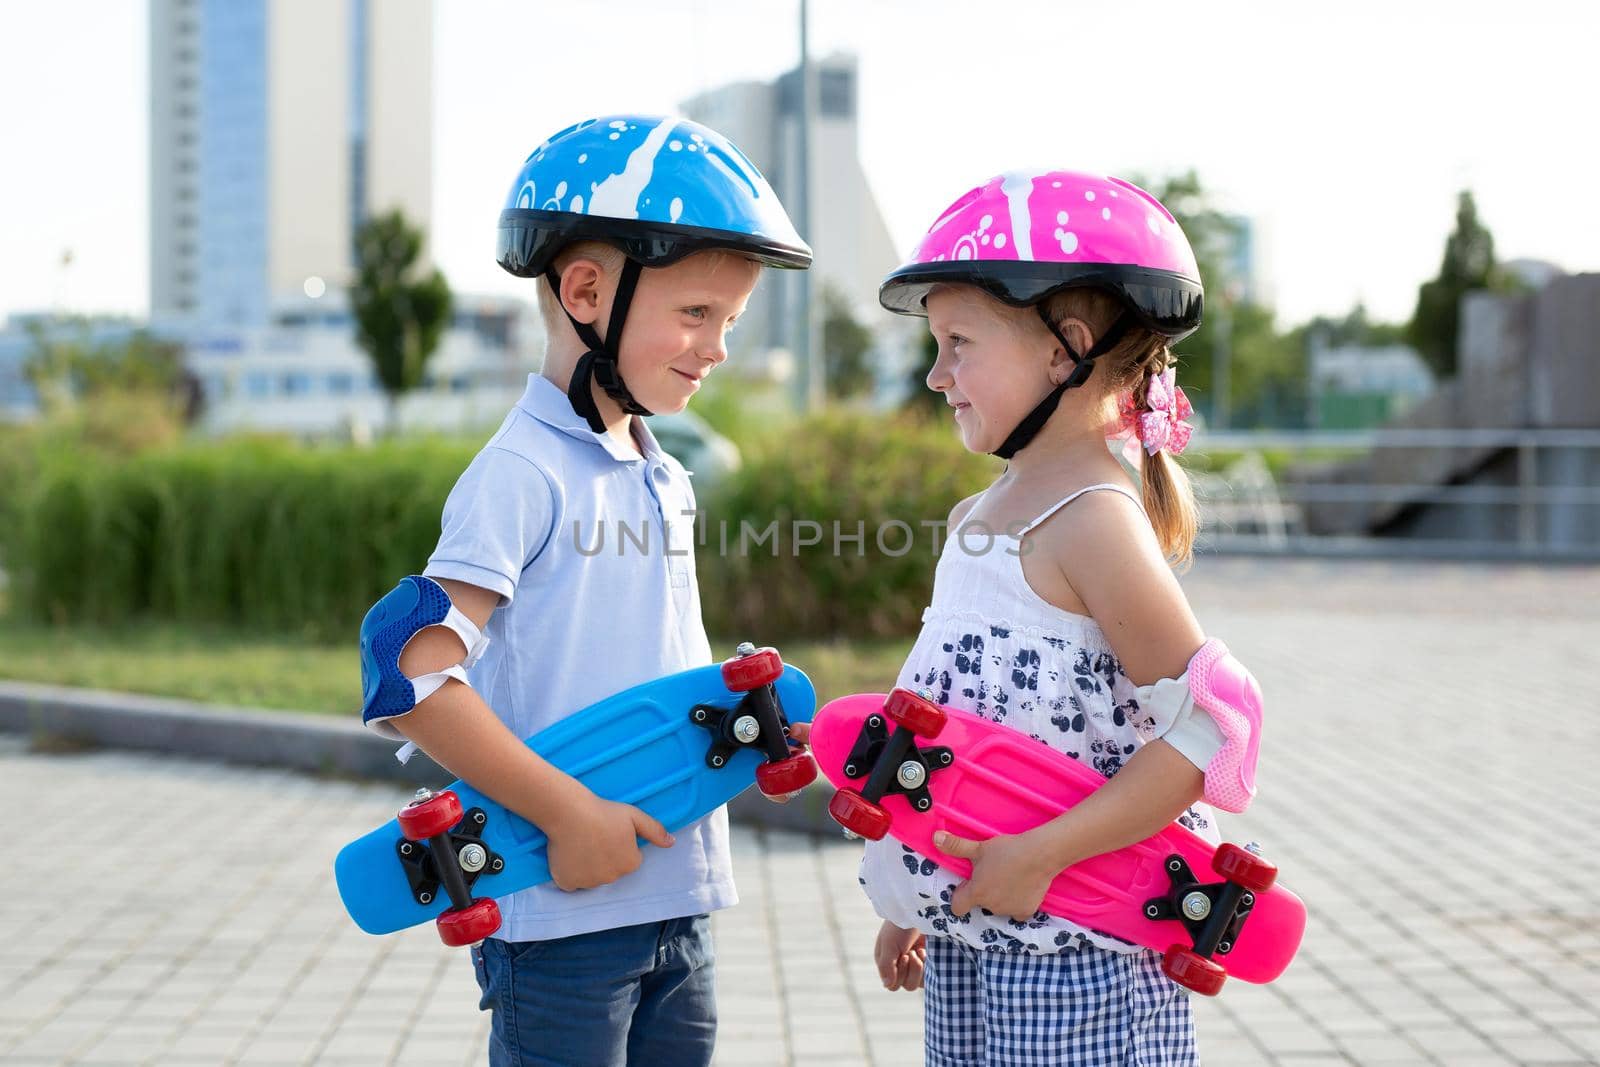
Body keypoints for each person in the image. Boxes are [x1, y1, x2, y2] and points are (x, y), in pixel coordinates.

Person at [356, 115, 812, 1067]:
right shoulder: (519, 475)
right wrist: (568, 814)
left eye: (729, 322)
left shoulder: (661, 471)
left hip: (679, 903)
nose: (718, 346)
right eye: (696, 315)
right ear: (587, 291)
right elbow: (412, 674)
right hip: (562, 923)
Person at [860, 170, 1266, 1065]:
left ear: (1065, 350)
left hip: (1080, 945)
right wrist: (913, 892)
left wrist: (1044, 852)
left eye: (958, 342)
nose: (936, 374)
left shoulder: (1094, 520)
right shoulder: (977, 518)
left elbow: (1210, 726)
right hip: (980, 931)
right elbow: (949, 717)